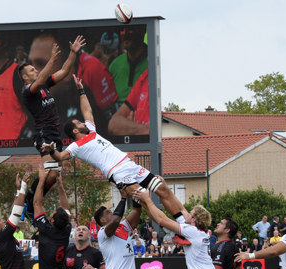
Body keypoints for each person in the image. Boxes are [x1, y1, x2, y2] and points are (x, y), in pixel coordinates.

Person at [43, 75, 187, 224]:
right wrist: (51, 151)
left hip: (129, 164)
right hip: (117, 172)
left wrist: (81, 90)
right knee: (145, 199)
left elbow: (88, 111)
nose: (83, 123)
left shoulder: (91, 130)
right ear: (75, 131)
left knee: (162, 188)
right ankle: (173, 228)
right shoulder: (76, 147)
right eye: (79, 123)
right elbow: (60, 157)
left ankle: (183, 224)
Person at [17, 35, 86, 222]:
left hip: (54, 134)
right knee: (49, 172)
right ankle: (27, 204)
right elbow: (39, 81)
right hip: (43, 133)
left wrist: (72, 53)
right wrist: (52, 59)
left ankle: (29, 204)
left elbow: (64, 71)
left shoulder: (45, 83)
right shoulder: (28, 90)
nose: (35, 69)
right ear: (25, 77)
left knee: (54, 175)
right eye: (32, 69)